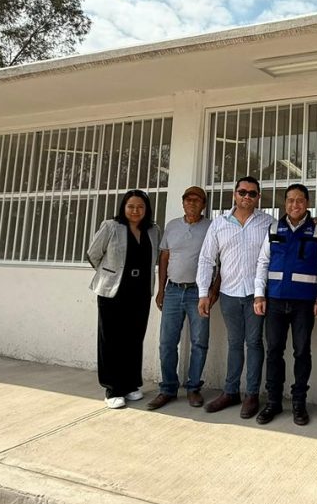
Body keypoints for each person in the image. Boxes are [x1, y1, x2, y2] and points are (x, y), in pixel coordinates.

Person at [196, 176, 273, 418]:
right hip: (229, 294)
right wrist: (203, 293)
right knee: (234, 344)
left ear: (258, 197)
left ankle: (251, 395)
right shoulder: (219, 224)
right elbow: (207, 259)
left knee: (255, 344)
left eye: (252, 193)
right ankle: (230, 392)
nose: (246, 197)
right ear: (234, 194)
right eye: (242, 192)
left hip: (256, 295)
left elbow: (283, 248)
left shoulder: (268, 223)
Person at [252, 183, 317, 426]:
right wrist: (258, 295)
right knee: (274, 351)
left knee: (301, 352)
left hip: (304, 303)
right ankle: (273, 402)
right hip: (274, 300)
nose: (295, 205)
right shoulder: (273, 228)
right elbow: (263, 262)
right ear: (285, 203)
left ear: (307, 203)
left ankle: (298, 404)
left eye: (300, 200)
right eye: (290, 200)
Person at [86, 189, 162, 409]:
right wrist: (109, 274)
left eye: (140, 206)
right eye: (131, 206)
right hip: (114, 291)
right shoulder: (111, 226)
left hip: (140, 291)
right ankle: (113, 388)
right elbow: (93, 254)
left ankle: (130, 384)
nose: (135, 211)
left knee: (134, 338)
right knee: (112, 340)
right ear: (123, 207)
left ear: (146, 209)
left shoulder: (153, 230)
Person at [147, 186, 218, 411]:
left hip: (199, 292)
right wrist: (161, 289)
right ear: (183, 202)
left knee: (199, 342)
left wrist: (213, 290)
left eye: (197, 200)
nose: (192, 203)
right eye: (188, 199)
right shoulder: (172, 226)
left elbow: (222, 258)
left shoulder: (212, 227)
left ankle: (193, 388)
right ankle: (168, 388)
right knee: (167, 343)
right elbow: (164, 257)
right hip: (173, 291)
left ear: (204, 204)